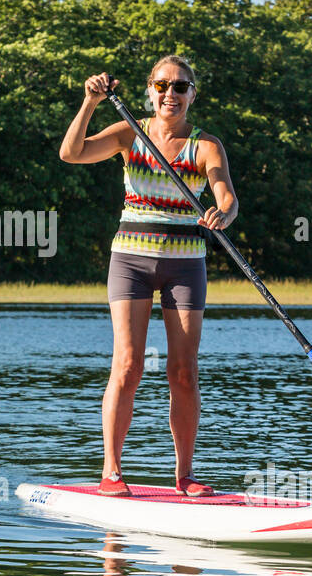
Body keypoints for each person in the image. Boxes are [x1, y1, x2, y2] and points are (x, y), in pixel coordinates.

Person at [59, 56, 238, 497]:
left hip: (185, 264)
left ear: (192, 95)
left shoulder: (205, 145)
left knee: (183, 372)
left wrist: (224, 214)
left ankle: (185, 476)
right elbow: (72, 153)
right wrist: (90, 102)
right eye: (162, 86)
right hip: (131, 263)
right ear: (150, 90)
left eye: (180, 87)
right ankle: (112, 472)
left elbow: (227, 196)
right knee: (128, 365)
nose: (170, 95)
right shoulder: (129, 133)